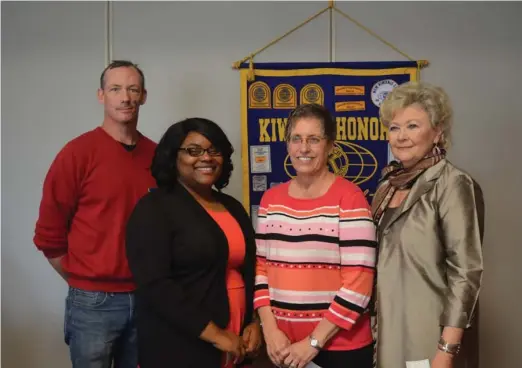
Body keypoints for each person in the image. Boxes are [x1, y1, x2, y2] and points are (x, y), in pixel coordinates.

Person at [33, 60, 155, 368]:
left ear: (143, 96)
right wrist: (83, 280)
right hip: (92, 304)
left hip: (148, 299)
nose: (125, 97)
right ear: (101, 95)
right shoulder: (77, 154)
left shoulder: (158, 156)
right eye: (115, 89)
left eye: (132, 89)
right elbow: (49, 235)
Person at [125, 117, 262, 368]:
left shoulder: (232, 207)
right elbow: (156, 286)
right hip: (182, 344)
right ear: (173, 157)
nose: (206, 158)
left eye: (214, 150)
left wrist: (254, 321)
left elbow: (251, 269)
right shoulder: (154, 209)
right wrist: (216, 335)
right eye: (193, 151)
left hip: (237, 341)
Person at [371, 81, 485, 368]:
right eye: (394, 127)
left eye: (412, 126)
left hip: (428, 338)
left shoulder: (452, 183)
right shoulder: (387, 186)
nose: (401, 136)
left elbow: (466, 272)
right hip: (384, 333)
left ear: (437, 132)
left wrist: (446, 350)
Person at [254, 104, 377, 368]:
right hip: (282, 347)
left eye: (313, 139)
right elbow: (260, 269)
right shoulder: (270, 200)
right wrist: (269, 329)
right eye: (296, 139)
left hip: (340, 349)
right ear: (287, 145)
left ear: (330, 145)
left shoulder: (350, 198)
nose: (304, 148)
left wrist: (313, 342)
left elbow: (359, 283)